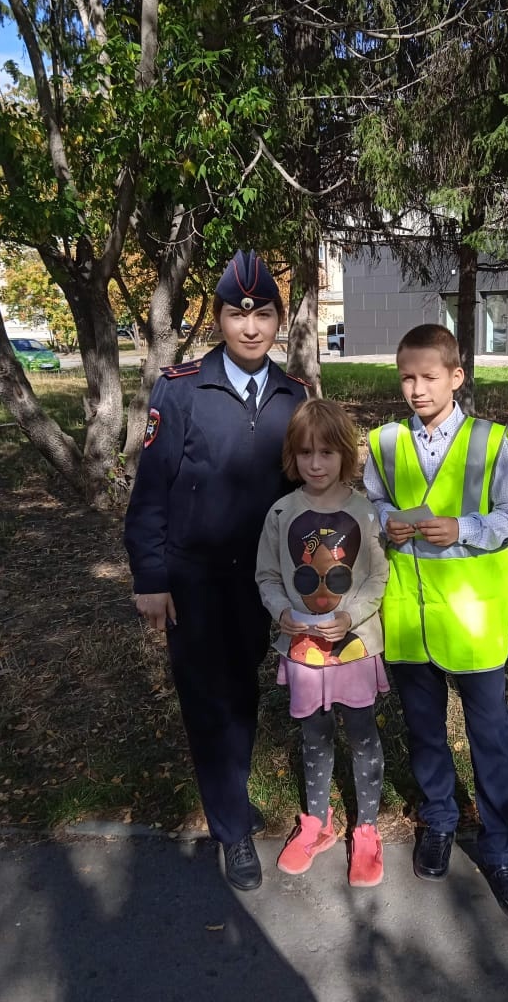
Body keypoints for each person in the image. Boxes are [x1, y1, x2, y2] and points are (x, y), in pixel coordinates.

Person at [124, 250, 307, 891]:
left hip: (259, 582)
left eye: (263, 315)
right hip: (194, 580)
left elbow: (306, 489)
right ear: (220, 320)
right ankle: (232, 830)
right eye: (237, 314)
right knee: (207, 701)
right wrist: (151, 578)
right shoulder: (181, 390)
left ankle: (231, 796)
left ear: (279, 320)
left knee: (242, 693)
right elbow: (151, 492)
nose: (250, 327)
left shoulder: (294, 396)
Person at [363, 323, 508, 919]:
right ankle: (439, 819)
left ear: (456, 377)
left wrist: (464, 528)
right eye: (406, 378)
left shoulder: (490, 441)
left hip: (473, 622)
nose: (416, 389)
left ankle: (499, 847)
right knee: (425, 731)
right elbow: (370, 502)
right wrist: (385, 520)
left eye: (429, 377)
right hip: (410, 618)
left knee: (490, 737)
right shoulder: (384, 442)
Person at [256, 399, 389, 888]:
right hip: (304, 652)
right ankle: (318, 822)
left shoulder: (366, 513)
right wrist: (282, 613)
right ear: (293, 456)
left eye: (327, 453)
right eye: (306, 452)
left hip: (355, 649)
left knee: (362, 735)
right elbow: (268, 576)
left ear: (345, 455)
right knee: (314, 735)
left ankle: (367, 829)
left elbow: (378, 578)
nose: (316, 464)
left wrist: (352, 615)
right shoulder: (281, 512)